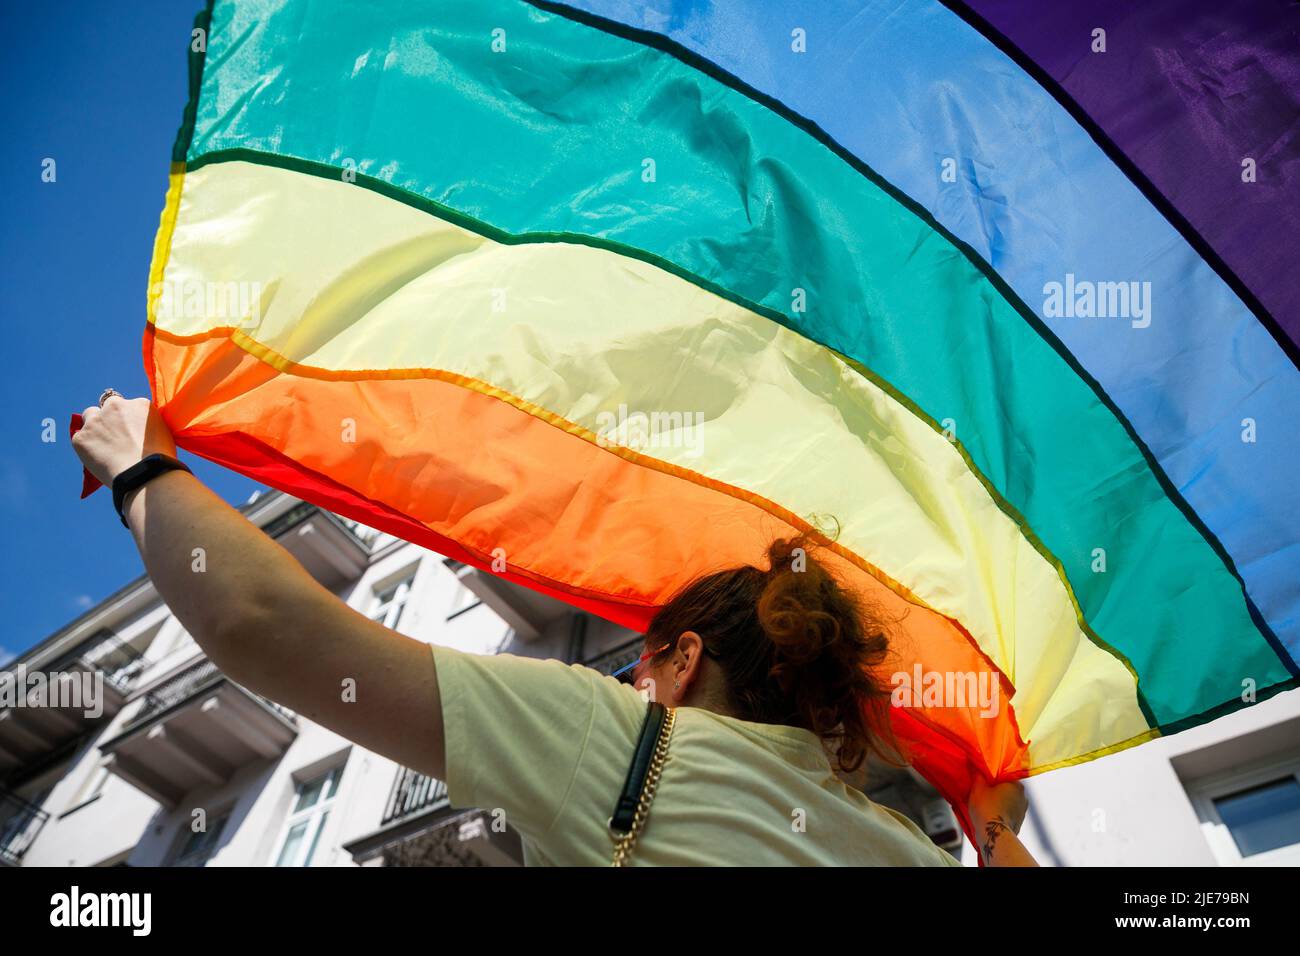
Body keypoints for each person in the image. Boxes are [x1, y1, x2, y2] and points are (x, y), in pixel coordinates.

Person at [72, 394, 1038, 866]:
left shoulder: (612, 740)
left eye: (639, 664)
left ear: (684, 660)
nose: (622, 682)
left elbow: (260, 622)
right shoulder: (898, 845)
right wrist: (989, 816)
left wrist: (139, 465)